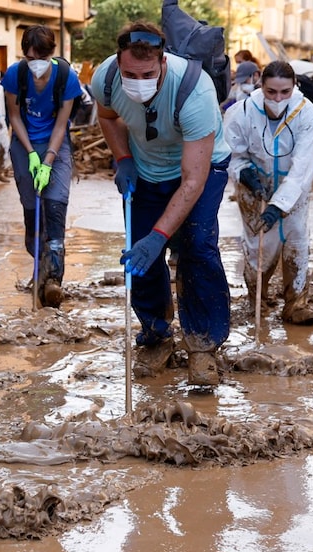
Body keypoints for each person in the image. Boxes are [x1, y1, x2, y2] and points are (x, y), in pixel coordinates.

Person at [91, 23, 233, 386]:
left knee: (198, 248)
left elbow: (193, 180)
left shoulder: (194, 90)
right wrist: (122, 157)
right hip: (146, 168)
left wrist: (160, 235)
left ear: (163, 64)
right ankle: (156, 335)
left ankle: (202, 345)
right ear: (118, 64)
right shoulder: (105, 78)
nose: (138, 81)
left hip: (201, 168)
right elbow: (107, 117)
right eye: (130, 74)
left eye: (148, 74)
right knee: (140, 257)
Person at [225, 61, 313, 325]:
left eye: (285, 92)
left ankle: (297, 303)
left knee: (296, 238)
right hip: (253, 185)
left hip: (294, 185)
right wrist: (244, 173)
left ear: (294, 87)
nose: (278, 98)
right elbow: (232, 153)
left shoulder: (306, 113)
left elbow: (304, 165)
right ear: (261, 85)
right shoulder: (241, 112)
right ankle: (258, 297)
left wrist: (279, 205)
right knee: (259, 243)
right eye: (271, 92)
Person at [1, 25, 82, 308]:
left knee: (55, 206)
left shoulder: (66, 77)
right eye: (30, 57)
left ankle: (54, 281)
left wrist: (47, 159)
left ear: (51, 53)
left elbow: (62, 123)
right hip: (24, 144)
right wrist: (31, 155)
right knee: (32, 211)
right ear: (24, 55)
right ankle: (40, 266)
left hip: (56, 145)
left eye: (41, 57)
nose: (35, 63)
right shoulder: (15, 74)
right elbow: (14, 115)